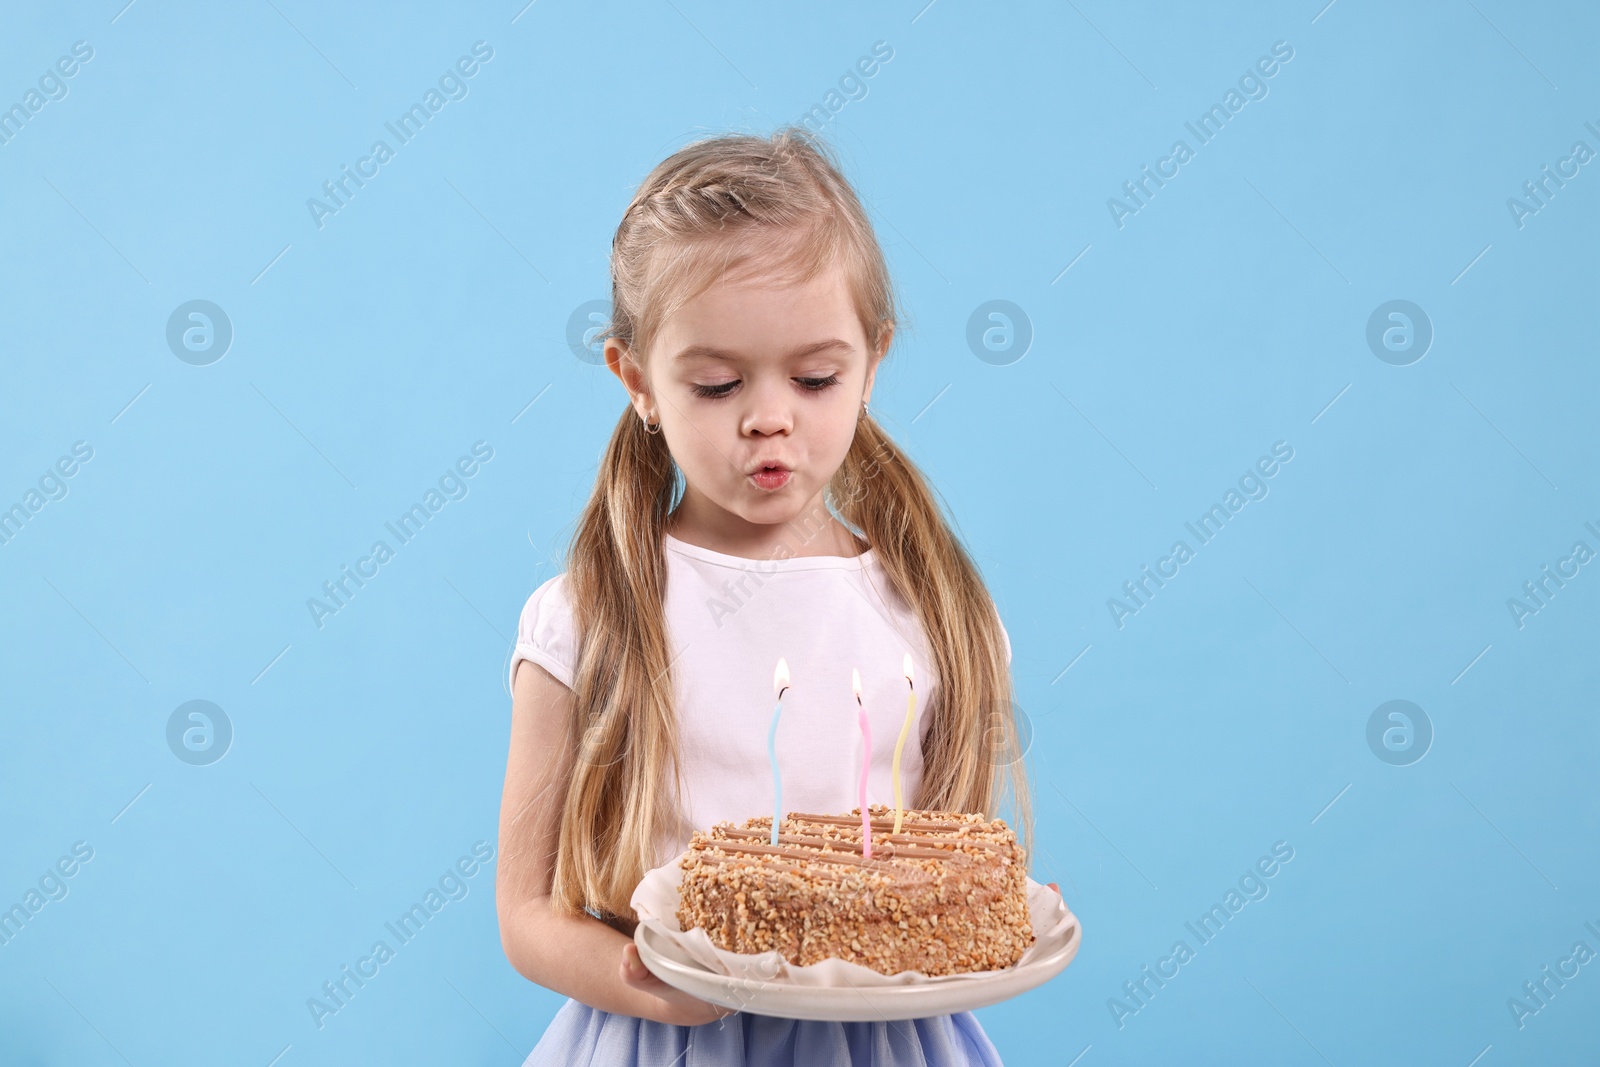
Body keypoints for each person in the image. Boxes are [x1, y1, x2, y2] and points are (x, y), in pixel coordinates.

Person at [497, 125, 1043, 1066]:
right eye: (715, 383)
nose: (769, 416)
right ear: (637, 379)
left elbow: (950, 870)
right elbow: (526, 914)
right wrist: (645, 980)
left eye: (815, 376)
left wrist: (981, 925)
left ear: (871, 363)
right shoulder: (587, 619)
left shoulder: (936, 615)